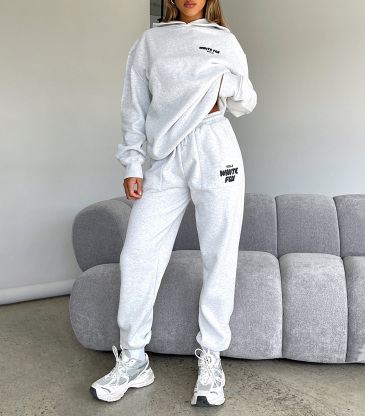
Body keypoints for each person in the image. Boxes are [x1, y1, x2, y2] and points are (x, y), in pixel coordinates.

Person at [90, 0, 257, 407]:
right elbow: (134, 105)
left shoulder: (224, 40)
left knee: (219, 254)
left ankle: (211, 357)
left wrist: (226, 84)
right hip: (165, 158)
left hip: (215, 148)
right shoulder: (150, 42)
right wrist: (133, 162)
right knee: (138, 254)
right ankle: (134, 358)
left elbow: (247, 101)